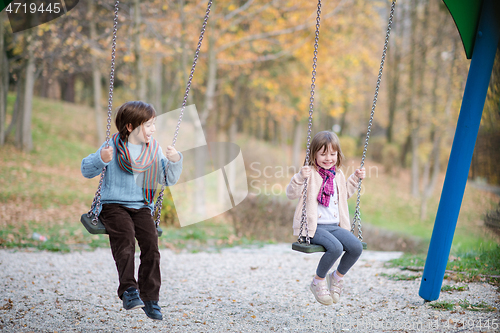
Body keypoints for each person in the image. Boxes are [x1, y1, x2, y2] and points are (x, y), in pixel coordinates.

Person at [81, 101, 183, 320]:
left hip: (142, 206)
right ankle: (129, 291)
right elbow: (86, 170)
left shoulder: (154, 149)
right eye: (147, 125)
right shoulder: (113, 146)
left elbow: (168, 179)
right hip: (114, 205)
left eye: (153, 124)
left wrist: (175, 161)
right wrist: (101, 159)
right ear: (130, 127)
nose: (153, 129)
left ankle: (151, 299)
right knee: (125, 239)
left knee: (152, 247)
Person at [286, 131, 365, 305]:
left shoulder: (338, 175)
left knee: (356, 247)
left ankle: (336, 277)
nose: (328, 158)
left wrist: (355, 179)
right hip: (314, 227)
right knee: (336, 248)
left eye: (332, 154)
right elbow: (291, 194)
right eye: (323, 154)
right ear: (313, 154)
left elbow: (344, 195)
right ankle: (318, 281)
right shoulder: (310, 174)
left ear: (338, 155)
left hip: (334, 225)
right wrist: (299, 177)